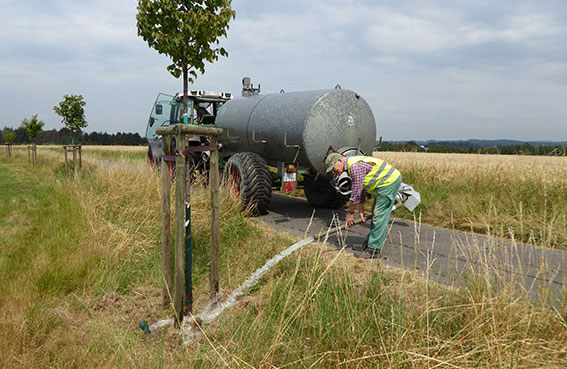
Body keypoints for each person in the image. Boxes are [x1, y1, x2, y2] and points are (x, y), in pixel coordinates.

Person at [325, 152, 402, 259]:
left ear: (339, 160)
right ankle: (368, 244)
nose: (334, 172)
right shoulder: (351, 166)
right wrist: (361, 211)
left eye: (333, 169)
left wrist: (350, 213)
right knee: (376, 215)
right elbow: (360, 189)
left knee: (379, 216)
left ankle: (374, 250)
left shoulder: (354, 167)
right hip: (386, 183)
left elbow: (355, 193)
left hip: (389, 182)